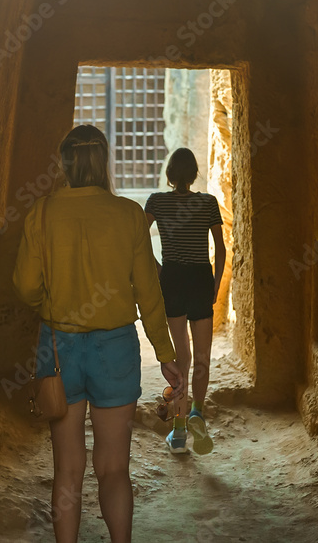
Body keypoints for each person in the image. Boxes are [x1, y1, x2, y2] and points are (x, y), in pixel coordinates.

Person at [13, 124, 186, 543]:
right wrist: (166, 354)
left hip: (59, 350)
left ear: (65, 164)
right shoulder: (127, 215)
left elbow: (24, 284)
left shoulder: (43, 212)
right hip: (115, 350)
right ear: (103, 162)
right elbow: (149, 292)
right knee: (114, 469)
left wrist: (53, 307)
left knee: (67, 470)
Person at [144, 148, 225, 455]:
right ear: (193, 175)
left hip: (173, 280)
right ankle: (197, 413)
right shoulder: (208, 203)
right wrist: (215, 285)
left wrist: (158, 269)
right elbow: (220, 246)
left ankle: (178, 433)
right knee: (203, 356)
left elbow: (138, 238)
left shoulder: (156, 201)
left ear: (170, 174)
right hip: (201, 278)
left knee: (181, 357)